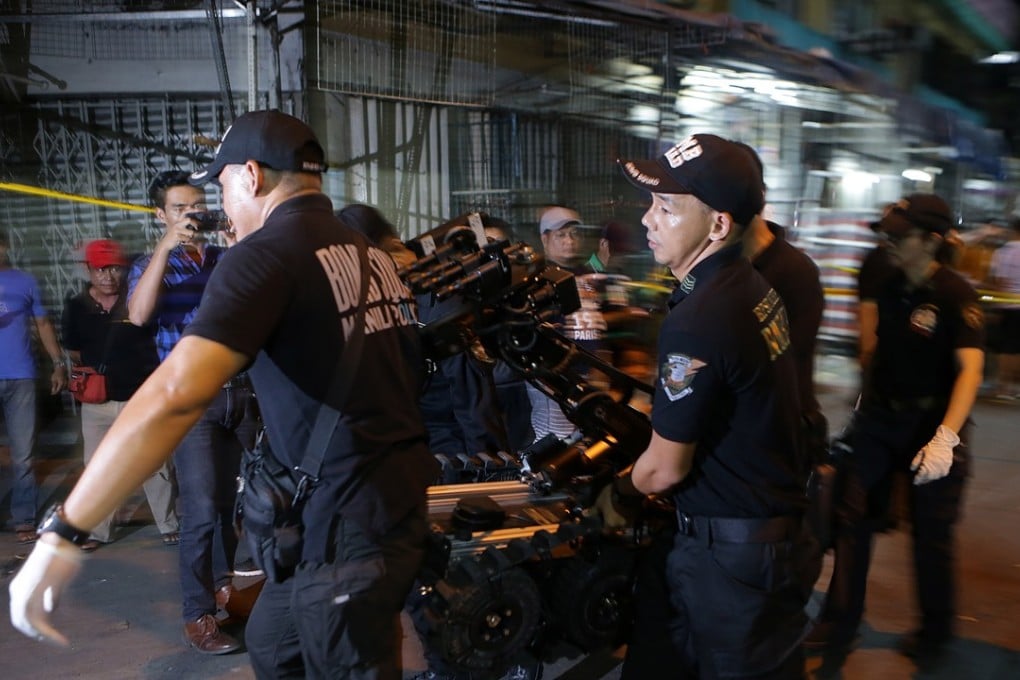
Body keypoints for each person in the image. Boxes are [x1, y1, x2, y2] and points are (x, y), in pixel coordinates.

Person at [10, 109, 438, 680]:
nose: (219, 205)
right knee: (274, 643)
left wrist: (65, 531)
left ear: (252, 176)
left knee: (350, 662)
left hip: (346, 527)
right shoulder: (366, 253)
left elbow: (176, 394)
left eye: (223, 183)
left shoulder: (263, 256)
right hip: (378, 501)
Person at [607, 133, 813, 678]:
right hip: (765, 536)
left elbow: (664, 468)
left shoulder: (700, 317)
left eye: (667, 208)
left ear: (718, 224)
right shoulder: (750, 285)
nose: (649, 220)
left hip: (732, 556)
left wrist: (620, 489)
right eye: (651, 203)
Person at [805, 194, 984, 672]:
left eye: (899, 237)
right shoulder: (885, 279)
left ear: (930, 241)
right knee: (851, 517)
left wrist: (946, 437)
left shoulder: (954, 295)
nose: (888, 244)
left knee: (931, 534)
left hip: (934, 425)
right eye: (886, 234)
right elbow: (874, 349)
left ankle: (935, 631)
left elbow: (970, 372)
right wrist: (863, 407)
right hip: (882, 420)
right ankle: (841, 618)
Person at [127, 170, 259, 653]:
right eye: (180, 209)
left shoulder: (226, 257)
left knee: (241, 505)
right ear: (160, 214)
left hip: (242, 392)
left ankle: (225, 585)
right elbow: (140, 316)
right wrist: (166, 246)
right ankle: (197, 614)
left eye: (197, 205)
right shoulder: (151, 264)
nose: (192, 216)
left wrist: (240, 239)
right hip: (192, 400)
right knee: (202, 511)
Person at [60, 239, 179, 553]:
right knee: (98, 468)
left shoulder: (137, 298)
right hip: (97, 404)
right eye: (100, 268)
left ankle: (169, 524)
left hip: (140, 399)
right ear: (88, 270)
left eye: (114, 267)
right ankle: (99, 531)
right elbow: (72, 350)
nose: (108, 275)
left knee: (155, 465)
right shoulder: (75, 306)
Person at [0, 230, 67, 544]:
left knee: (23, 454)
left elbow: (42, 324)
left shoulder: (25, 281)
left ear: (6, 247)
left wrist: (57, 363)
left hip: (21, 377)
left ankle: (23, 517)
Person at [986, 217, 1020, 399]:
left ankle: (1003, 386)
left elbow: (999, 281)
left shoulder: (1003, 252)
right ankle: (1014, 387)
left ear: (1013, 230)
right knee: (1017, 348)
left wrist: (995, 306)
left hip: (1007, 304)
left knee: (1006, 347)